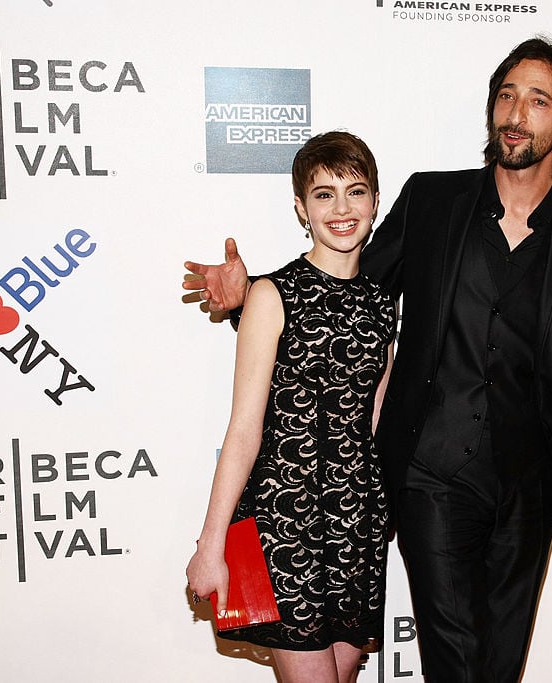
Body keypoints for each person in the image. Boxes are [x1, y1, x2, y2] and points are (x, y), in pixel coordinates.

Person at [185, 38, 552, 683]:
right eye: (506, 96)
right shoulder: (433, 203)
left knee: (498, 669)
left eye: (538, 100)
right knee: (455, 664)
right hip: (430, 481)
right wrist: (251, 301)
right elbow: (345, 296)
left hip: (528, 492)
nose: (516, 113)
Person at [186, 131, 396, 683]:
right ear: (302, 209)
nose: (342, 208)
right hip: (287, 523)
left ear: (375, 201)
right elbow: (243, 432)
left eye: (355, 191)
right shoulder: (270, 295)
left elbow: (374, 420)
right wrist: (212, 544)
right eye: (324, 195)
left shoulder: (381, 305)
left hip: (358, 525)